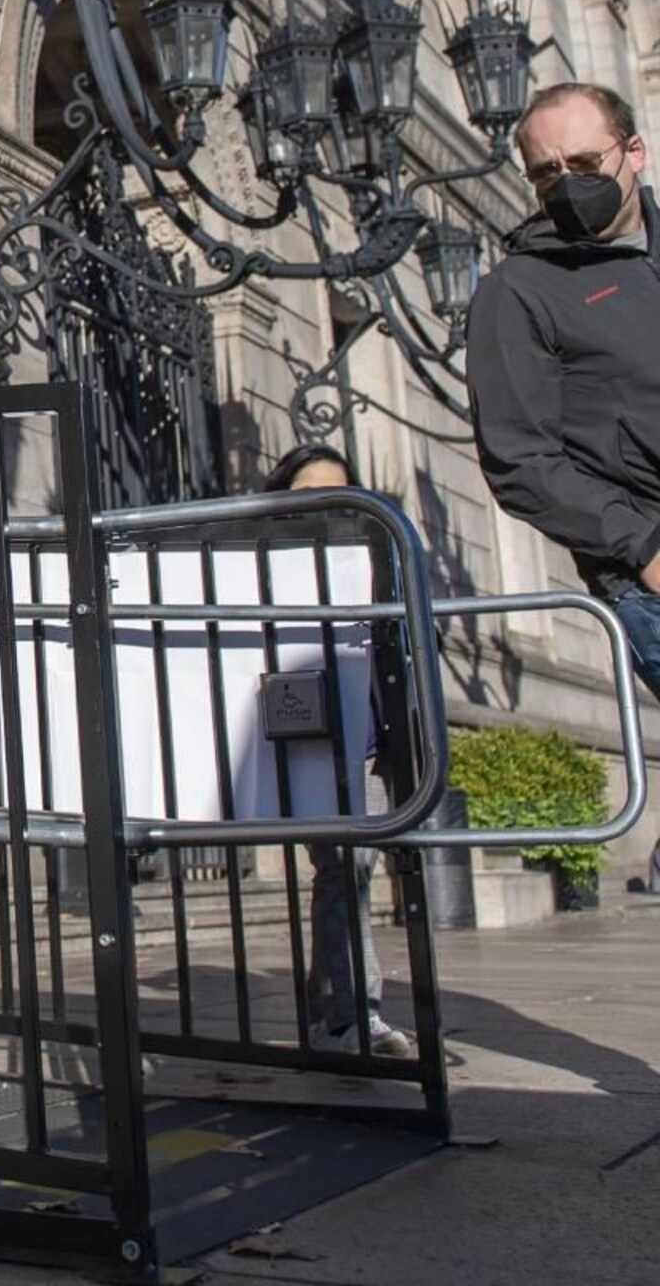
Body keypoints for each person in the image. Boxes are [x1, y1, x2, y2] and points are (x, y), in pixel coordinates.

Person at [465, 82, 660, 707]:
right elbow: (520, 460)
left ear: (634, 152)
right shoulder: (517, 292)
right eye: (546, 172)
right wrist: (643, 548)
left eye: (583, 164)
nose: (567, 183)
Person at [261, 442, 413, 1057]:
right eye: (310, 494)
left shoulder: (378, 559)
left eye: (341, 494)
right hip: (301, 731)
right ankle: (353, 1014)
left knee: (352, 869)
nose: (328, 507)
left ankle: (336, 1003)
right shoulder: (262, 561)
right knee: (343, 868)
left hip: (370, 739)